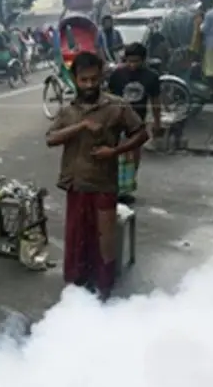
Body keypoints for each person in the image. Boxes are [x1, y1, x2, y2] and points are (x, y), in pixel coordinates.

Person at [47, 52, 148, 300]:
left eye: (94, 79)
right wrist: (81, 126)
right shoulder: (68, 111)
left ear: (102, 76)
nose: (90, 85)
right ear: (75, 79)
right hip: (76, 184)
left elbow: (141, 133)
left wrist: (115, 150)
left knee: (104, 238)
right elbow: (51, 138)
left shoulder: (116, 106)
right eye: (84, 80)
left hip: (104, 184)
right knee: (77, 237)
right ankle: (76, 285)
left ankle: (104, 286)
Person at [107, 43, 162, 205]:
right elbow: (109, 98)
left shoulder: (151, 77)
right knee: (116, 157)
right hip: (117, 122)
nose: (132, 65)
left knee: (134, 158)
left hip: (137, 123)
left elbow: (155, 101)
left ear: (144, 60)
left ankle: (126, 189)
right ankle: (113, 189)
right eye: (129, 61)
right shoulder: (117, 75)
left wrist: (157, 123)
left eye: (136, 61)